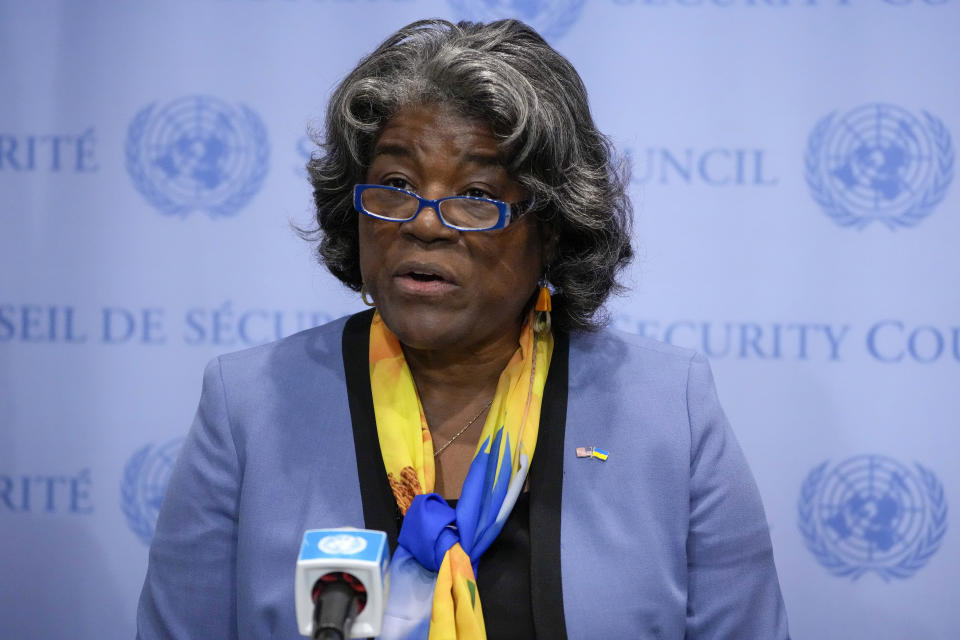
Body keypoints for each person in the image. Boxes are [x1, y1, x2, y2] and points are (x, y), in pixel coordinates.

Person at [137, 18, 789, 640]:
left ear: (553, 226)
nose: (424, 223)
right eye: (394, 183)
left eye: (475, 194)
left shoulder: (667, 412)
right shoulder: (248, 407)